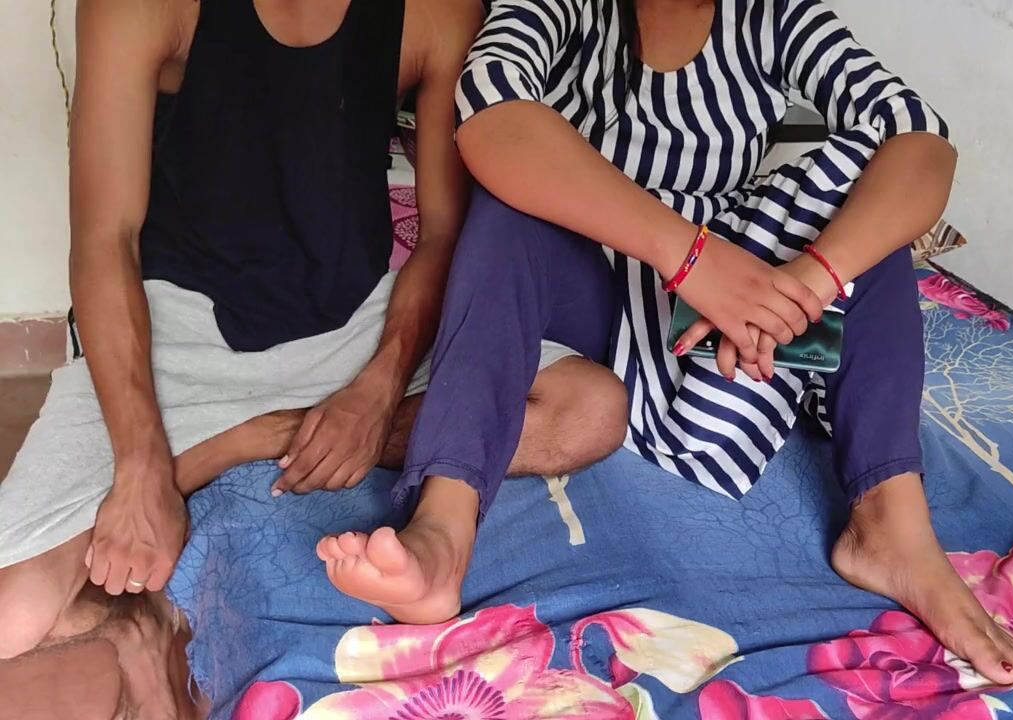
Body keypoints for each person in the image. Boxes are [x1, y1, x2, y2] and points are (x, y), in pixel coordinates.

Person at [316, 0, 1013, 686]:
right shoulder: (562, 7)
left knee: (876, 201)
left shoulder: (774, 16)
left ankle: (889, 524)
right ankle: (444, 526)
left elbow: (921, 139)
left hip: (734, 326)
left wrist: (804, 285)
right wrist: (693, 260)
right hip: (601, 298)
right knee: (507, 205)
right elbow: (490, 115)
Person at [0, 0, 627, 665]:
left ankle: (237, 448)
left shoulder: (438, 12)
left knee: (587, 410)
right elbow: (106, 240)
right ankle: (250, 446)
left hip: (354, 330)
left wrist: (379, 389)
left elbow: (443, 234)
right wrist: (140, 464)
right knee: (12, 615)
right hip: (176, 340)